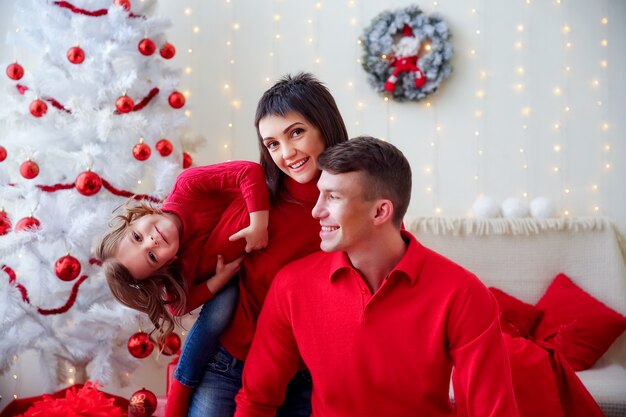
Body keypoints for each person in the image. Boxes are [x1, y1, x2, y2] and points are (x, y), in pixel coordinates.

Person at [235, 136, 521, 417]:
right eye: (320, 193)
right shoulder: (291, 285)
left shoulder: (463, 293)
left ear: (380, 211)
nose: (316, 210)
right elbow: (257, 400)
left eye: (333, 197)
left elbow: (492, 411)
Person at [185, 72, 348, 417]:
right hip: (233, 365)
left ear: (325, 125)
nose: (286, 153)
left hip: (310, 374)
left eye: (296, 132)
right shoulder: (258, 204)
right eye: (272, 143)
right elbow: (198, 267)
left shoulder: (357, 201)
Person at [97, 159, 271, 417]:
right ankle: (182, 385)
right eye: (152, 257)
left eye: (137, 237)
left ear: (134, 220)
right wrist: (217, 281)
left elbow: (250, 171)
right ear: (164, 266)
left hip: (253, 215)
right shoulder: (179, 265)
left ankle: (182, 386)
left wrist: (258, 225)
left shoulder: (187, 185)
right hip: (235, 268)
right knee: (220, 309)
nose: (152, 241)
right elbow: (178, 307)